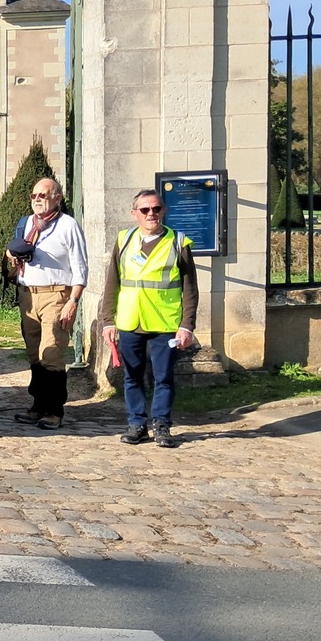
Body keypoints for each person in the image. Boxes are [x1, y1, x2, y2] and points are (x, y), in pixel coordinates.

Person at [100, 189, 198, 448]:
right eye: (145, 210)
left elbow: (190, 288)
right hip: (130, 320)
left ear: (163, 210)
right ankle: (137, 424)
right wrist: (108, 320)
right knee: (132, 376)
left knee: (163, 377)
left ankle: (162, 425)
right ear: (135, 214)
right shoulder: (124, 239)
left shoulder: (178, 242)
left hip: (164, 322)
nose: (151, 214)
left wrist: (187, 325)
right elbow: (112, 283)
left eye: (156, 208)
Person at [7, 177, 88, 430]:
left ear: (57, 198)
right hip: (28, 295)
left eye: (43, 195)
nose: (37, 200)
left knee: (51, 352)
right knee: (34, 354)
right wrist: (10, 255)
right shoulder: (27, 224)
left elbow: (80, 267)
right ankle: (38, 405)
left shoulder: (67, 225)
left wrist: (73, 301)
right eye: (34, 195)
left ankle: (54, 410)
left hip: (57, 295)